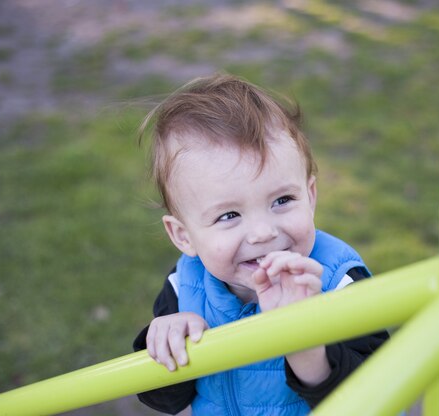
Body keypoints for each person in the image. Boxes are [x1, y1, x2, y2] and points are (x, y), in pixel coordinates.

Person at [133, 73, 389, 415]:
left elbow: (382, 396)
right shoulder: (184, 290)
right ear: (184, 236)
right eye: (228, 216)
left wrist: (308, 352)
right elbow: (164, 400)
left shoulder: (340, 284)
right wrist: (164, 346)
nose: (263, 233)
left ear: (310, 196)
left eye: (282, 200)